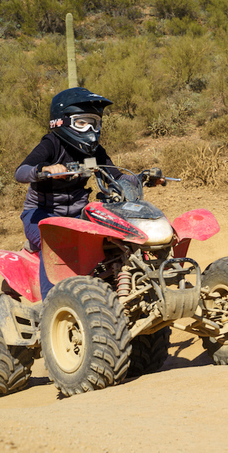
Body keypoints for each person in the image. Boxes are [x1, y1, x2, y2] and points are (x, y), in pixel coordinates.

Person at [15, 87, 137, 299]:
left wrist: (135, 179)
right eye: (83, 122)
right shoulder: (52, 144)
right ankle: (51, 304)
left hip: (79, 216)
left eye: (95, 122)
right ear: (62, 122)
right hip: (42, 215)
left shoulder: (95, 151)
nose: (91, 128)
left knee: (114, 239)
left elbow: (114, 175)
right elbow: (20, 172)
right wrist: (43, 170)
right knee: (55, 243)